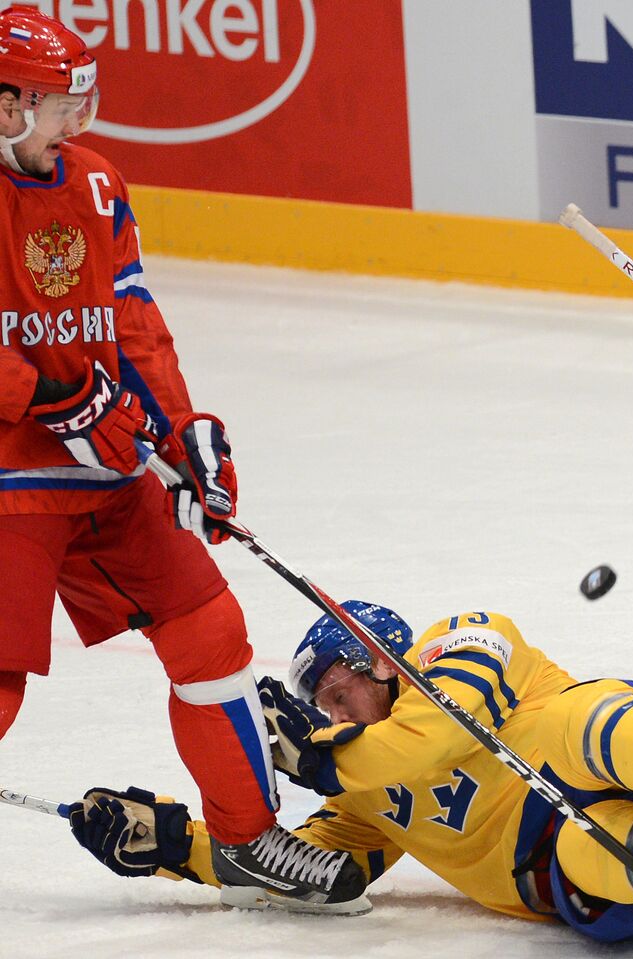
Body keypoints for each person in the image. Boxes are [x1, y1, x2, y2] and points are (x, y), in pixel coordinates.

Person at [0, 6, 363, 909]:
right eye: (57, 104)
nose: (76, 120)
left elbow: (131, 320)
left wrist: (182, 431)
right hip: (9, 478)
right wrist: (43, 398)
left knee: (210, 634)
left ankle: (246, 839)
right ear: (6, 105)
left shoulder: (94, 185)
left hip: (110, 476)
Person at [66, 603, 633, 941]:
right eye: (323, 705)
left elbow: (431, 738)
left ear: (382, 660)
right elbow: (316, 872)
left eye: (343, 692)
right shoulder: (356, 786)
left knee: (573, 727)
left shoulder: (461, 643)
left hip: (630, 751)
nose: (336, 713)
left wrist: (318, 755)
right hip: (591, 881)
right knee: (594, 856)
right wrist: (176, 844)